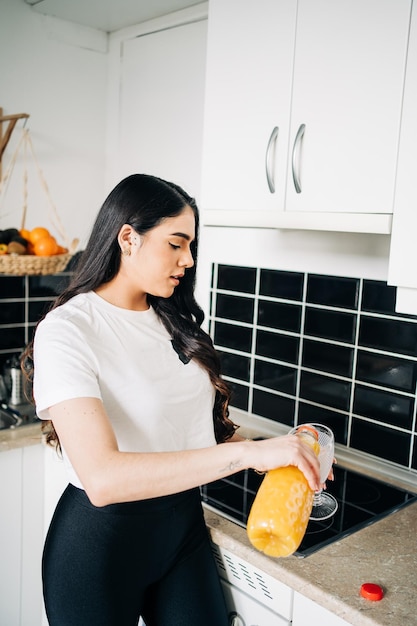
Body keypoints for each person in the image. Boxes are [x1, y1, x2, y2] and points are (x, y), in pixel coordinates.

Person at [27, 174, 321, 626]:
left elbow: (180, 432)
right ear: (128, 237)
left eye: (191, 247)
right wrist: (246, 455)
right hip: (101, 546)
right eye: (176, 244)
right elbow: (103, 479)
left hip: (181, 526)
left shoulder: (172, 320)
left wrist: (281, 451)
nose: (187, 260)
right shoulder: (69, 329)